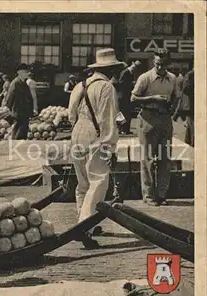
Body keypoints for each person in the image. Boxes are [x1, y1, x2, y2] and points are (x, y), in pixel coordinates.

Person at [68, 48, 122, 249]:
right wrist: (110, 147)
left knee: (82, 183)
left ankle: (82, 219)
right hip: (94, 134)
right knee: (98, 181)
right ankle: (85, 227)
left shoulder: (80, 85)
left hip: (77, 131)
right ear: (111, 69)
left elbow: (70, 114)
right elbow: (108, 120)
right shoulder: (106, 87)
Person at [131, 49, 180, 206]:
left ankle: (161, 194)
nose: (160, 67)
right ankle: (149, 195)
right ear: (154, 62)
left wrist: (172, 110)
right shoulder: (145, 78)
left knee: (165, 158)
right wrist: (153, 98)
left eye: (163, 64)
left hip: (165, 118)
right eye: (157, 64)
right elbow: (133, 97)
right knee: (148, 158)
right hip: (148, 117)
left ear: (168, 63)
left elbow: (177, 96)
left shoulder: (172, 78)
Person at [5, 64, 35, 140]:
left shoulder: (25, 83)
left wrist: (31, 110)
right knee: (18, 129)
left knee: (24, 129)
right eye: (25, 72)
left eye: (27, 72)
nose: (27, 74)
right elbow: (9, 97)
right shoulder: (15, 83)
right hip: (18, 110)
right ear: (19, 73)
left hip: (25, 111)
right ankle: (15, 144)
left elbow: (29, 98)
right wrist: (8, 109)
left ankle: (21, 144)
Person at [118, 61, 142, 135]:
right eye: (134, 67)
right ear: (132, 64)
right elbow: (121, 83)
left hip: (127, 96)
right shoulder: (125, 72)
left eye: (136, 69)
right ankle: (122, 129)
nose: (134, 69)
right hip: (123, 96)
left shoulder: (131, 74)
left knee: (128, 113)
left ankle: (126, 129)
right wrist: (131, 84)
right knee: (123, 114)